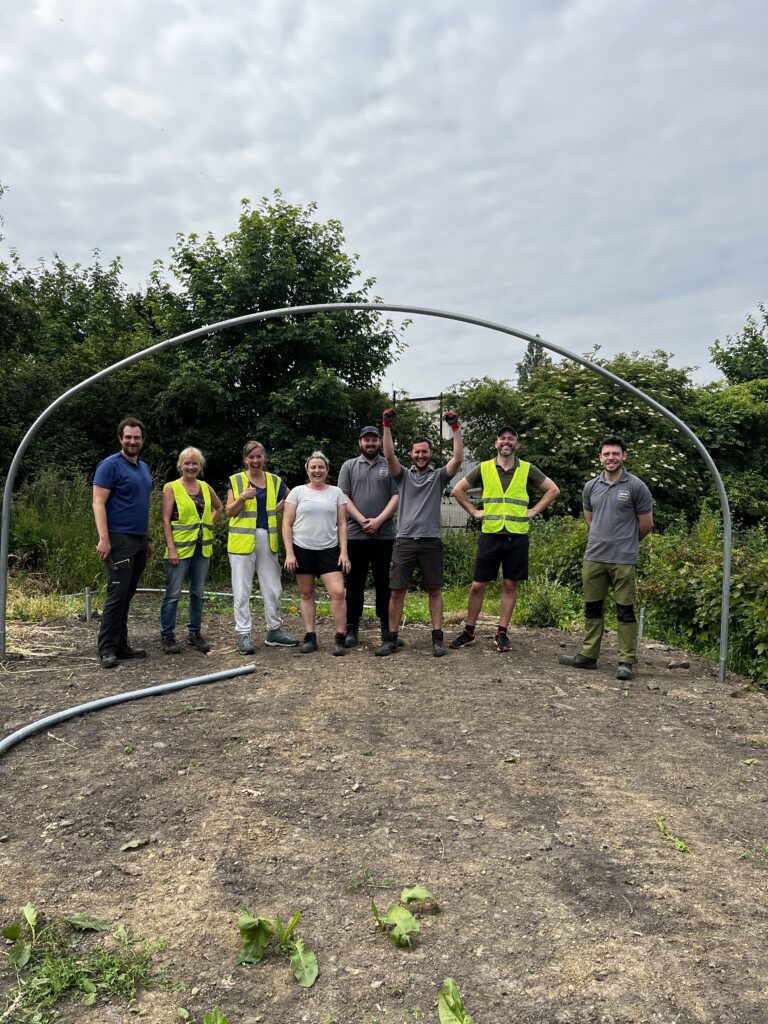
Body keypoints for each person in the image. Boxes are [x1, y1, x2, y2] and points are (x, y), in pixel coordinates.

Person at [449, 426, 560, 652]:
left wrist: (533, 511)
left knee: (510, 584)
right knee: (478, 585)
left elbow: (552, 490)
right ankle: (469, 631)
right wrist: (474, 512)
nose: (506, 442)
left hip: (517, 536)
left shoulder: (527, 469)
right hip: (490, 534)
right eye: (502, 438)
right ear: (496, 443)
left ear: (516, 444)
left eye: (511, 438)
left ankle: (502, 633)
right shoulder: (484, 468)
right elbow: (458, 490)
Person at [559, 435, 653, 681]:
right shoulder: (591, 487)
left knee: (625, 611)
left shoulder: (636, 486)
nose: (611, 458)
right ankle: (588, 656)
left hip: (623, 559)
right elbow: (590, 520)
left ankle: (625, 661)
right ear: (600, 457)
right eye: (606, 454)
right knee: (592, 608)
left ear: (624, 456)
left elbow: (646, 524)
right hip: (595, 556)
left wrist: (627, 543)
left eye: (615, 454)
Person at [376, 407, 464, 658]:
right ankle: (391, 638)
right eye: (417, 452)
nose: (421, 455)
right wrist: (387, 426)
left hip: (430, 542)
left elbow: (458, 459)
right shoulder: (402, 476)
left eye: (425, 451)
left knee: (434, 590)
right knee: (396, 592)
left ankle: (437, 638)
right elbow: (388, 454)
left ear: (430, 453)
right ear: (411, 454)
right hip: (404, 541)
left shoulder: (438, 477)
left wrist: (455, 427)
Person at [92, 417, 153, 669]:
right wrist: (104, 538)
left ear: (142, 440)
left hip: (138, 540)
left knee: (127, 594)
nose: (132, 441)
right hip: (118, 539)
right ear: (120, 438)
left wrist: (147, 539)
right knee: (116, 594)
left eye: (136, 437)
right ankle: (106, 648)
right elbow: (98, 502)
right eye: (128, 437)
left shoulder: (143, 468)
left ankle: (122, 645)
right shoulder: (110, 466)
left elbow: (142, 506)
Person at [227, 441, 298, 654]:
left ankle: (274, 631)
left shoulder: (274, 481)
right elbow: (229, 511)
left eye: (259, 457)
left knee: (273, 588)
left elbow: (291, 497)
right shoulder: (236, 480)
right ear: (245, 459)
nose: (255, 461)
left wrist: (277, 509)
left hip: (267, 538)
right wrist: (242, 497)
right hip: (241, 542)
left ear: (264, 458)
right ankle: (243, 634)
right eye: (251, 457)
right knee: (242, 590)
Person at [282, 451, 351, 656]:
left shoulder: (336, 492)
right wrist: (289, 553)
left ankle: (340, 636)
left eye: (321, 467)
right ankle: (310, 636)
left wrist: (344, 552)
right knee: (306, 593)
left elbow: (342, 524)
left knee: (338, 592)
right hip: (302, 549)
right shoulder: (297, 492)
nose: (317, 470)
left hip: (328, 550)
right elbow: (286, 523)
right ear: (307, 470)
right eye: (313, 467)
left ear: (327, 470)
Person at [338, 426, 400, 649]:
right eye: (367, 440)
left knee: (385, 584)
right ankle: (352, 627)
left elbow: (396, 496)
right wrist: (363, 520)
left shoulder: (390, 465)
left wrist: (378, 521)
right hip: (356, 535)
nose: (371, 443)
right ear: (360, 443)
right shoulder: (349, 466)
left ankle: (387, 628)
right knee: (355, 584)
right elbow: (343, 496)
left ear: (379, 442)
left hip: (384, 536)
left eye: (375, 439)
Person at [159, 447, 223, 655]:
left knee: (198, 592)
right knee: (173, 593)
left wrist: (207, 526)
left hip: (201, 548)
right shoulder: (172, 488)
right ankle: (167, 635)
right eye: (186, 463)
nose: (191, 466)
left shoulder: (205, 487)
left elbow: (219, 507)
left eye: (195, 463)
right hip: (179, 548)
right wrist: (171, 548)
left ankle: (194, 632)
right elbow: (166, 519)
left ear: (201, 466)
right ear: (180, 465)